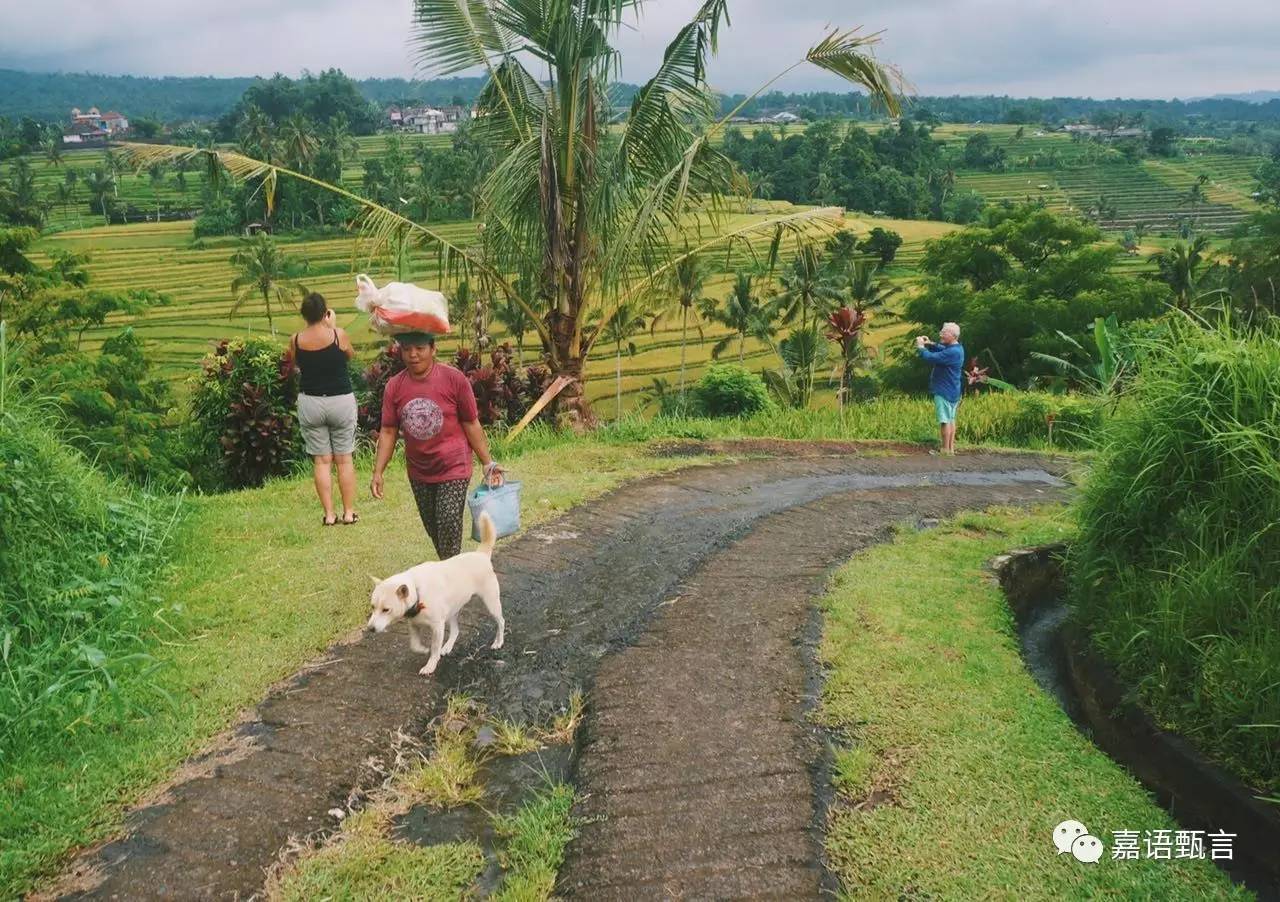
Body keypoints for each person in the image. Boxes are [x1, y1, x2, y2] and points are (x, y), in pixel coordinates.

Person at [371, 331, 505, 560]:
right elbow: (388, 430)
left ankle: (450, 585)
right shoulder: (394, 386)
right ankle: (451, 572)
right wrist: (378, 471)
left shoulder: (454, 379)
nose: (413, 355)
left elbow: (471, 423)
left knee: (448, 522)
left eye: (420, 348)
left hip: (454, 466)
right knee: (434, 529)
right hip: (419, 470)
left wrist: (487, 463)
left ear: (433, 349)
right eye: (407, 349)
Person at [290, 292, 358, 525]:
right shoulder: (339, 336)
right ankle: (349, 513)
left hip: (310, 401)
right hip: (340, 399)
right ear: (325, 312)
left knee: (322, 461)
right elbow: (350, 355)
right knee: (344, 459)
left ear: (304, 315)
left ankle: (329, 515)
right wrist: (333, 327)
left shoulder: (296, 339)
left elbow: (294, 362)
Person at [916, 322, 965, 455]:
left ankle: (944, 450)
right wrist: (930, 344)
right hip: (952, 390)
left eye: (944, 332)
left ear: (953, 335)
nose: (941, 334)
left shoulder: (952, 352)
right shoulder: (957, 349)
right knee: (951, 419)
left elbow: (931, 357)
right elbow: (942, 349)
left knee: (944, 421)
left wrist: (921, 347)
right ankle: (950, 450)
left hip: (944, 390)